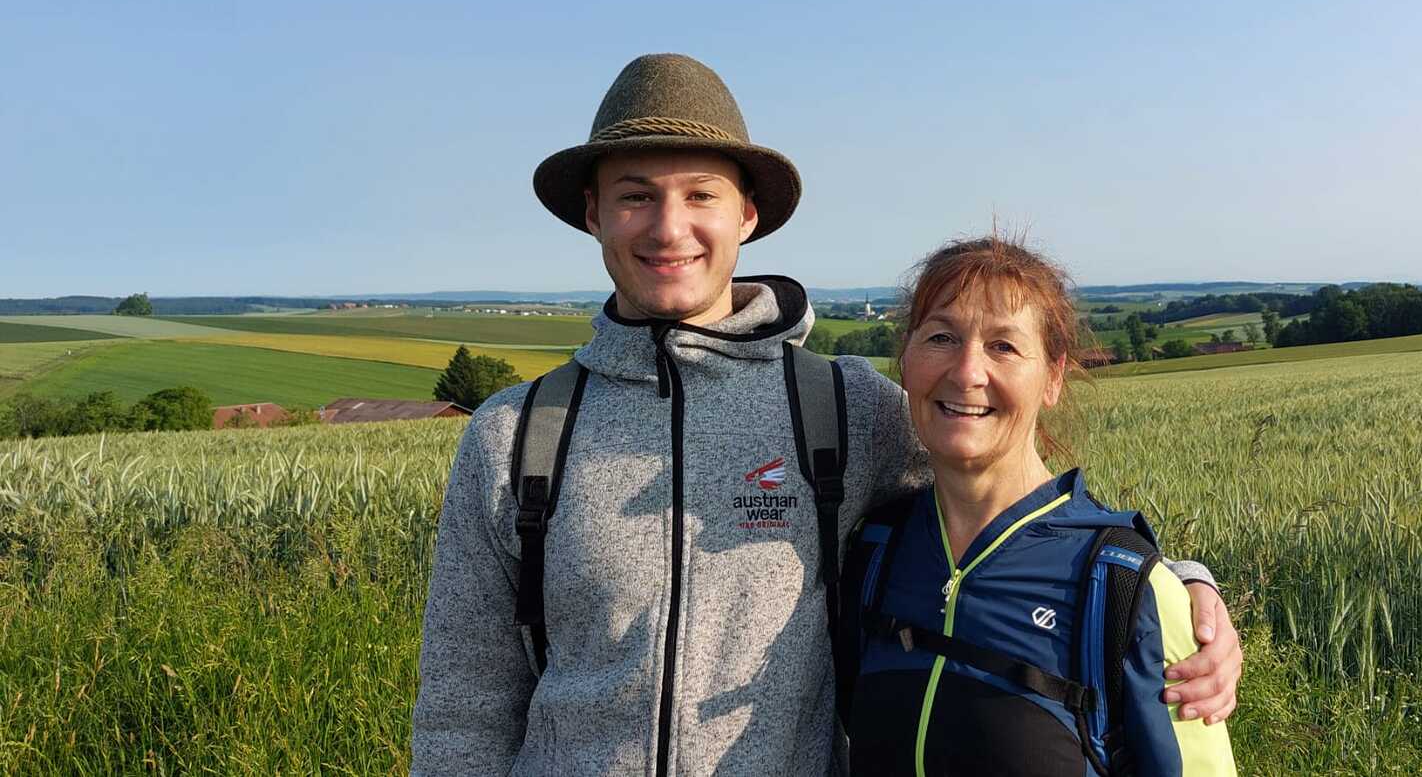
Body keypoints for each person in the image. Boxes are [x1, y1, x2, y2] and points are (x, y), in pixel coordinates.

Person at [409, 54, 1241, 775]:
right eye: (636, 195)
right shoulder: (516, 436)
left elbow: (1000, 500)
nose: (669, 227)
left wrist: (1174, 594)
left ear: (746, 214)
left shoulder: (842, 408)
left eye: (701, 194)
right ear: (593, 212)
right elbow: (461, 710)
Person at [840, 236, 1236, 775]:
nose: (967, 372)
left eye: (1003, 346)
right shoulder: (875, 550)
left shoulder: (1124, 589)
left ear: (1052, 378)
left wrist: (1181, 586)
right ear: (905, 361)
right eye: (941, 337)